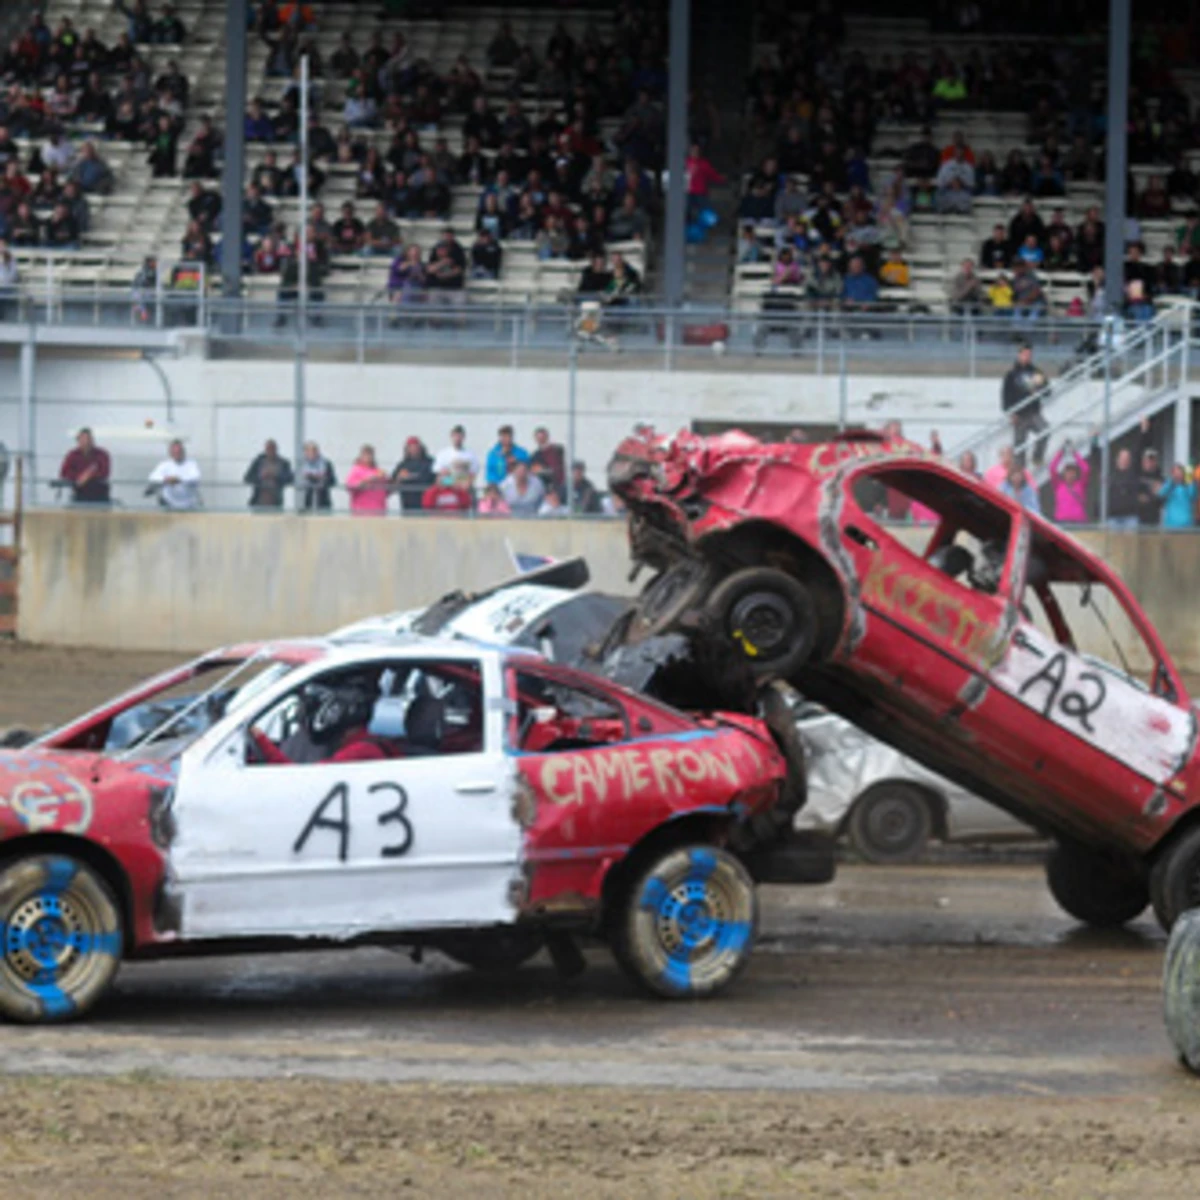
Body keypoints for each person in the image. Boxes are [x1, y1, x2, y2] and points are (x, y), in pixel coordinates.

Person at [1001, 345, 1048, 467]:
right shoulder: (1011, 375)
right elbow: (1005, 396)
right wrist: (1011, 413)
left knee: (1045, 431)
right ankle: (1019, 470)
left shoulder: (1036, 372)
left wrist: (1039, 389)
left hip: (1033, 412)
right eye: (1025, 354)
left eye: (1029, 355)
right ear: (1019, 355)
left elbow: (1048, 391)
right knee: (1019, 446)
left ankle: (1037, 457)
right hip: (1019, 414)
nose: (1027, 357)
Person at [58, 427, 110, 505]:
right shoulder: (72, 455)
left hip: (99, 494)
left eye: (89, 439)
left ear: (92, 440)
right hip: (80, 493)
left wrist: (88, 475)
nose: (86, 442)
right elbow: (64, 472)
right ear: (78, 441)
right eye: (83, 439)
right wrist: (79, 476)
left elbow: (104, 472)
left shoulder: (102, 454)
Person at [146, 439, 201, 510]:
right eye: (174, 452)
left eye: (179, 452)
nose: (177, 454)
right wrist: (166, 479)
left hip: (188, 505)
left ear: (183, 452)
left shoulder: (191, 464)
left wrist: (178, 479)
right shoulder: (164, 464)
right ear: (170, 453)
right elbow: (152, 477)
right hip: (169, 505)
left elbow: (195, 477)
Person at [243, 439, 294, 509]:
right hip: (259, 502)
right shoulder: (258, 461)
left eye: (272, 448)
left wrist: (275, 476)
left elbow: (290, 479)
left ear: (276, 449)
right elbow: (247, 478)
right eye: (268, 449)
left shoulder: (284, 463)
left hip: (276, 502)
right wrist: (260, 476)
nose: (270, 451)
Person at [1048, 443, 1089, 524]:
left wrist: (1075, 453)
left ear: (1076, 474)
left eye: (1072, 472)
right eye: (1068, 472)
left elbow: (1086, 469)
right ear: (1064, 474)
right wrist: (1060, 453)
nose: (1070, 475)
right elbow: (1052, 468)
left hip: (1079, 521)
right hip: (1062, 520)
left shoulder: (1080, 484)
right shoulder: (1058, 485)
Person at [391, 436, 434, 513]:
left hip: (427, 506)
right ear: (407, 449)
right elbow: (392, 486)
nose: (414, 449)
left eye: (416, 446)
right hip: (407, 506)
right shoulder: (402, 465)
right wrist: (399, 478)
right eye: (411, 447)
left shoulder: (430, 463)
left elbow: (442, 480)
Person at [345, 444, 390, 515]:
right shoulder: (356, 470)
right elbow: (350, 487)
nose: (368, 457)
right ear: (361, 457)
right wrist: (371, 479)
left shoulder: (378, 471)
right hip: (362, 512)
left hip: (379, 511)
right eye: (366, 455)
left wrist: (393, 479)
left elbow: (388, 491)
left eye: (370, 455)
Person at [298, 440, 336, 511]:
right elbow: (297, 481)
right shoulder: (301, 465)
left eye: (314, 450)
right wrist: (308, 478)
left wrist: (322, 478)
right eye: (308, 451)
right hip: (307, 502)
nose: (311, 453)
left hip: (322, 501)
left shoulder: (326, 463)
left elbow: (333, 481)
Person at [1107, 447, 1139, 530]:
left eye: (1127, 458)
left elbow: (1140, 448)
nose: (1125, 460)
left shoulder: (1134, 473)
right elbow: (1098, 459)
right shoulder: (1111, 474)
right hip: (1114, 517)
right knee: (1114, 543)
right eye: (1122, 458)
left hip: (1130, 517)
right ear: (1117, 459)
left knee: (1130, 543)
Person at [530, 426, 565, 494]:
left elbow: (558, 469)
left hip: (558, 486)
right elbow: (534, 471)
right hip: (543, 488)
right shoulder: (535, 456)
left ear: (547, 437)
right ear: (536, 439)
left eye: (543, 437)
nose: (541, 440)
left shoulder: (556, 450)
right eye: (539, 438)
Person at [1159, 465, 1196, 529]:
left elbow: (1193, 496)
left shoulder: (1188, 486)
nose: (1178, 475)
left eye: (1180, 473)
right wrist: (1171, 482)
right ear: (1172, 474)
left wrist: (1189, 480)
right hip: (1171, 525)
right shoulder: (1169, 485)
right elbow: (1161, 494)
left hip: (1186, 524)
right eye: (1176, 473)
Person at [1138, 445, 1165, 527]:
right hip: (1138, 517)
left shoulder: (1161, 478)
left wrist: (1158, 492)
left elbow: (1162, 498)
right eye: (1148, 460)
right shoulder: (1137, 476)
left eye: (1153, 460)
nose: (1150, 463)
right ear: (1143, 461)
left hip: (1154, 518)